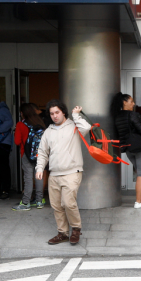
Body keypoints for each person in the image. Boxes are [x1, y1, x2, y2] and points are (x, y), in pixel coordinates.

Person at [36, 101, 91, 245]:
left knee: (68, 203)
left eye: (57, 112)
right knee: (56, 206)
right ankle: (63, 233)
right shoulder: (48, 131)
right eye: (52, 114)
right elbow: (42, 152)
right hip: (54, 173)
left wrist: (76, 115)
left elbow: (87, 127)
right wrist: (40, 168)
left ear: (63, 112)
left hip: (72, 172)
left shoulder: (74, 126)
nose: (54, 116)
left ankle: (76, 229)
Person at [13, 103, 48, 211]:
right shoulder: (39, 122)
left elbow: (17, 141)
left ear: (22, 113)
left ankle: (25, 202)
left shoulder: (21, 124)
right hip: (39, 154)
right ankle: (39, 201)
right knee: (39, 175)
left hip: (26, 154)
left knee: (28, 178)